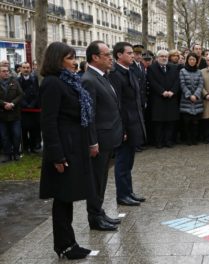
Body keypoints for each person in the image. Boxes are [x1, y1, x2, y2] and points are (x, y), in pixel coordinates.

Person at [39, 42, 93, 259]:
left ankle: (69, 242)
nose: (74, 62)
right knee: (62, 198)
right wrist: (57, 155)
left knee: (67, 197)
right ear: (57, 59)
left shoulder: (69, 81)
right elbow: (48, 123)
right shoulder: (52, 83)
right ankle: (65, 246)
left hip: (73, 146)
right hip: (63, 149)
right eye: (70, 58)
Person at [81, 41, 123, 231]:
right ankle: (94, 217)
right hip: (99, 139)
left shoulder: (103, 77)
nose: (110, 58)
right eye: (107, 54)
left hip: (109, 137)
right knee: (96, 179)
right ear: (95, 57)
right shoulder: (89, 79)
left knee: (102, 178)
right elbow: (89, 116)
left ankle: (99, 211)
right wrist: (92, 142)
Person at [108, 42, 146, 206]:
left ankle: (128, 191)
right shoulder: (115, 74)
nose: (133, 55)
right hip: (124, 124)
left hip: (134, 122)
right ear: (119, 55)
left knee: (129, 160)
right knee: (122, 162)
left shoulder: (130, 71)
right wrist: (122, 129)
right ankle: (122, 195)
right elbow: (117, 105)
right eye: (129, 53)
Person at [147, 50, 180, 148]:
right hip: (158, 99)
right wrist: (162, 92)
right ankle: (159, 142)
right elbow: (152, 81)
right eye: (162, 56)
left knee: (170, 122)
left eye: (166, 56)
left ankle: (168, 141)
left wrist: (172, 92)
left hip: (171, 98)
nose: (164, 58)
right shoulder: (151, 68)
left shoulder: (174, 68)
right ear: (157, 58)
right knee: (159, 123)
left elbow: (177, 82)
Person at [179, 53, 204, 145]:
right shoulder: (182, 71)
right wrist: (189, 95)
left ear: (196, 61)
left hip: (197, 100)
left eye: (194, 59)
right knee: (187, 122)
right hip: (186, 100)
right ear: (187, 60)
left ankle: (195, 139)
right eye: (190, 59)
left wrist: (196, 95)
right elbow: (182, 84)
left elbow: (201, 84)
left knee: (195, 122)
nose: (192, 61)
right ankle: (188, 139)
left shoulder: (199, 72)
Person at [0, 65, 23, 162]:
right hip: (2, 115)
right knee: (4, 136)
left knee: (17, 135)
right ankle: (7, 154)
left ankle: (16, 153)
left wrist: (12, 103)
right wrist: (3, 104)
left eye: (7, 71)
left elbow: (21, 94)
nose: (6, 73)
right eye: (4, 71)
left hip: (14, 114)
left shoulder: (14, 81)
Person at [18, 62, 41, 154]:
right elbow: (19, 94)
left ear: (30, 69)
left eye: (27, 67)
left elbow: (37, 93)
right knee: (24, 129)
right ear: (21, 69)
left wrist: (32, 104)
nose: (26, 69)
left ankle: (33, 147)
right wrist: (24, 104)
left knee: (33, 129)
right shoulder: (18, 80)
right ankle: (25, 147)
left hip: (33, 109)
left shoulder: (34, 79)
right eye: (24, 67)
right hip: (23, 109)